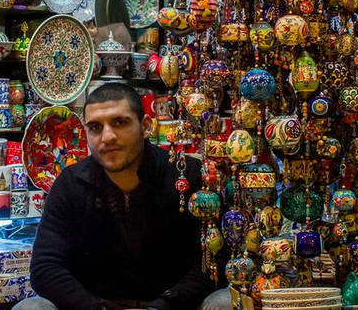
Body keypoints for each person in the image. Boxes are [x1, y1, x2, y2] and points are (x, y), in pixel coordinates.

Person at [16, 83, 228, 310]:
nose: (107, 137)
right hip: (94, 306)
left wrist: (164, 305)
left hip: (173, 305)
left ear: (146, 126)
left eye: (120, 122)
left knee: (224, 302)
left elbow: (212, 261)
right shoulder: (71, 183)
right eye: (95, 127)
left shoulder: (187, 176)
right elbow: (46, 267)